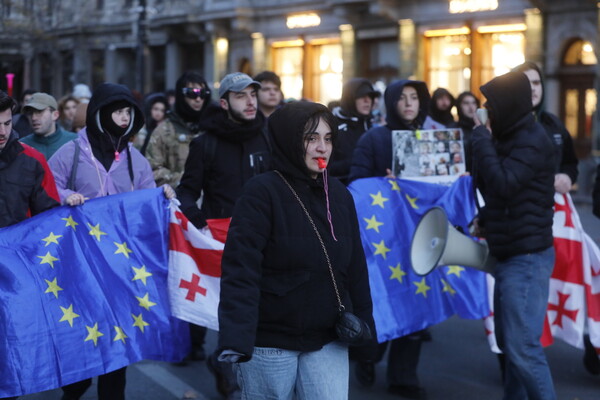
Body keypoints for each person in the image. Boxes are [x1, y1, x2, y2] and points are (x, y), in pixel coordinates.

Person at [216, 101, 375, 399]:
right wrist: (236, 337)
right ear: (289, 140)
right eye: (311, 138)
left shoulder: (339, 194)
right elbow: (241, 269)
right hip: (271, 340)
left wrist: (366, 331)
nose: (321, 148)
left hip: (329, 337)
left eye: (328, 139)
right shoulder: (261, 192)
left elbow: (355, 268)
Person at [48, 82, 174, 400]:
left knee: (118, 336)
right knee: (85, 332)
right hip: (80, 263)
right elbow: (49, 187)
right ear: (101, 114)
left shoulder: (134, 159)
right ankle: (75, 386)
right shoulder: (71, 153)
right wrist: (67, 196)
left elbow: (147, 198)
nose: (123, 117)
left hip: (119, 265)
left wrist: (163, 195)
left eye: (128, 111)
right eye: (117, 110)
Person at [177, 72, 271, 397]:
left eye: (253, 95)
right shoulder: (205, 143)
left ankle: (240, 364)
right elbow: (186, 191)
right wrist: (198, 220)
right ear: (224, 102)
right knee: (231, 308)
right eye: (241, 96)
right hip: (222, 242)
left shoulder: (268, 136)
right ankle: (226, 363)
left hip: (265, 238)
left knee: (262, 307)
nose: (250, 101)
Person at [470, 70, 556, 400]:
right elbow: (505, 193)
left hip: (527, 258)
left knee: (523, 350)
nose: (487, 109)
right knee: (511, 346)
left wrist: (481, 139)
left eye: (492, 104)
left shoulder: (532, 139)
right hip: (510, 252)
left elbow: (505, 183)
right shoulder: (509, 136)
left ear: (508, 105)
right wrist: (487, 219)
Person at [349, 79, 432, 399]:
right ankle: (368, 355)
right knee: (384, 301)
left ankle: (403, 378)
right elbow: (357, 184)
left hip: (422, 234)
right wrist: (383, 186)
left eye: (415, 98)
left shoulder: (430, 140)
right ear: (392, 102)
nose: (410, 104)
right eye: (403, 98)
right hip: (385, 238)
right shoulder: (374, 139)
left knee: (417, 303)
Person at [513, 61, 578, 194]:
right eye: (526, 83)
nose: (532, 88)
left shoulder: (554, 124)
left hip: (553, 206)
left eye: (536, 83)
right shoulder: (503, 124)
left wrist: (567, 177)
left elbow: (570, 162)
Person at [0, 89, 60, 229]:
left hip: (20, 248)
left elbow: (49, 216)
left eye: (7, 123)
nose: (2, 132)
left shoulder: (34, 160)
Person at [145, 72, 216, 188]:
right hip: (178, 199)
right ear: (181, 95)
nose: (198, 99)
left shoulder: (215, 127)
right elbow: (152, 170)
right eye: (192, 93)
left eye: (202, 93)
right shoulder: (164, 131)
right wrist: (186, 180)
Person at [329, 78, 380, 185]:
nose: (367, 101)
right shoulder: (333, 128)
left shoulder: (375, 129)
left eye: (370, 96)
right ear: (350, 99)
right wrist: (357, 162)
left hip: (374, 194)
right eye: (361, 96)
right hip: (343, 191)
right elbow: (325, 167)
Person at [19, 92, 77, 160]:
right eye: (30, 113)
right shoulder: (22, 145)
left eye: (39, 111)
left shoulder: (74, 141)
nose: (33, 117)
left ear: (55, 115)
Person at [455, 91, 480, 172]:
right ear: (459, 106)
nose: (471, 107)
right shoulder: (453, 129)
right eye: (466, 103)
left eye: (473, 103)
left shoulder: (483, 128)